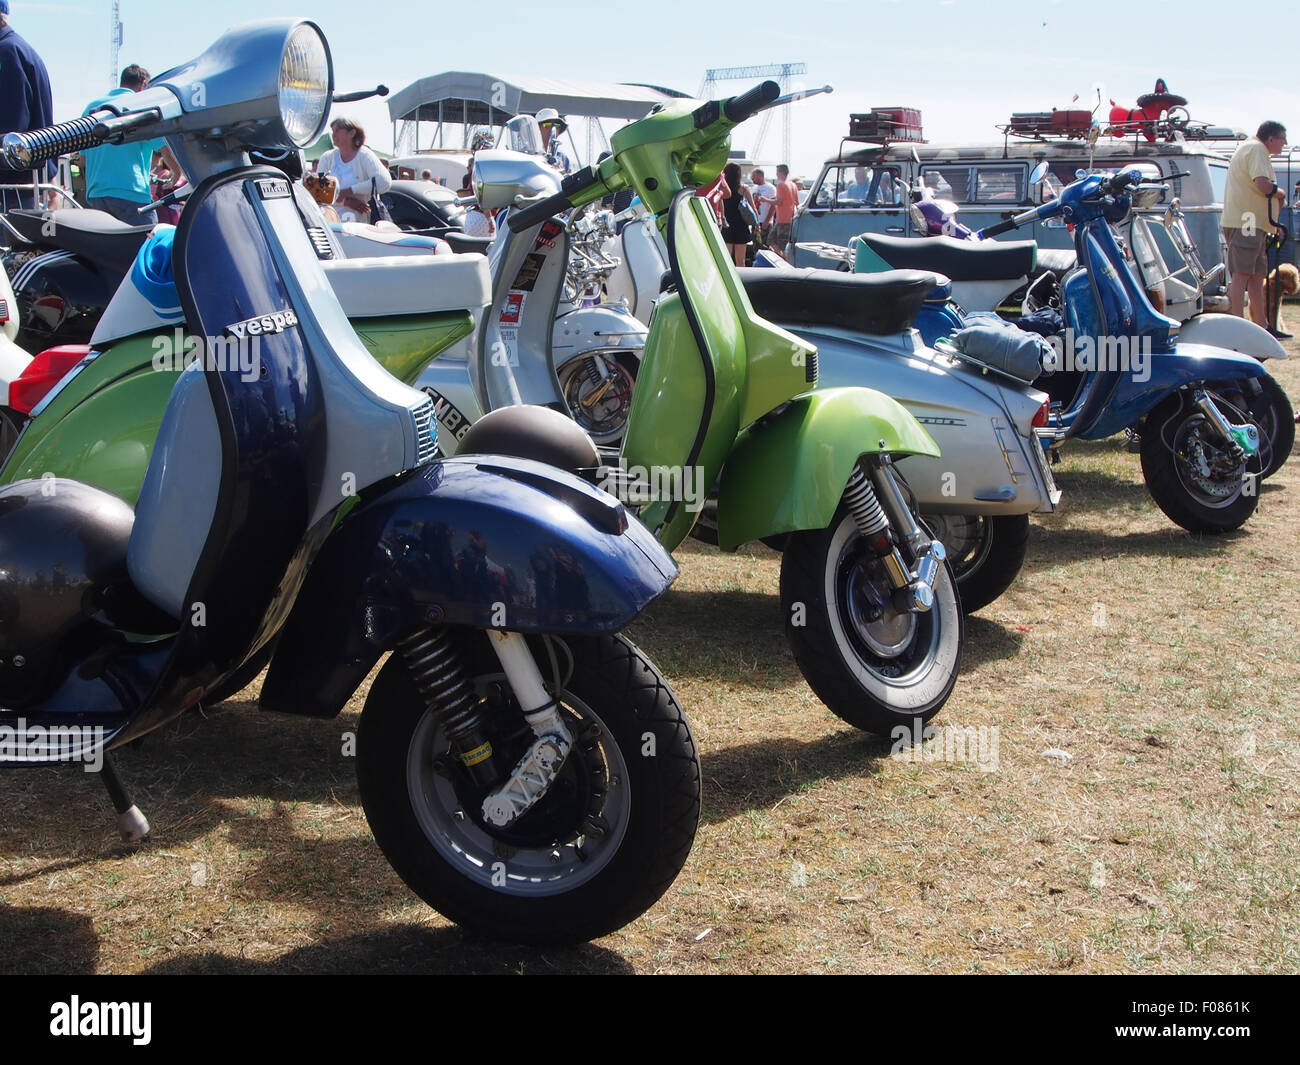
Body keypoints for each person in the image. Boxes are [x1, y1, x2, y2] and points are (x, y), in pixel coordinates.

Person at [82, 65, 184, 224]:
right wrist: (176, 173)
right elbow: (166, 150)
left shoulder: (92, 108)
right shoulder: (141, 105)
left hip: (96, 195)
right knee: (149, 244)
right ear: (144, 84)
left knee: (107, 248)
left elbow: (83, 159)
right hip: (131, 194)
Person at [1222, 120, 1289, 335]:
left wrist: (1272, 223)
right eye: (1282, 138)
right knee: (1242, 274)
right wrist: (1280, 193)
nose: (1285, 143)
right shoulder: (1257, 149)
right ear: (1271, 138)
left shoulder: (1254, 149)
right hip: (1247, 221)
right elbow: (1262, 185)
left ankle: (1261, 326)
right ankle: (1238, 327)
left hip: (1254, 222)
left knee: (1257, 275)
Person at [0, 1, 55, 209]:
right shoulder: (16, 48)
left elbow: (10, 128)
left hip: (10, 192)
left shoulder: (6, 52)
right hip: (23, 187)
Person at [316, 117, 391, 223]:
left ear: (352, 133)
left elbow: (384, 182)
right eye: (333, 131)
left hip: (359, 227)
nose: (333, 134)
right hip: (331, 225)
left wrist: (350, 190)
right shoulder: (327, 157)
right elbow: (317, 192)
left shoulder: (364, 155)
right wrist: (345, 201)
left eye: (337, 130)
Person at [719, 162, 758, 267]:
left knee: (726, 259)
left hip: (726, 224)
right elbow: (753, 208)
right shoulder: (744, 189)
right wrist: (757, 224)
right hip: (741, 226)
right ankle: (743, 281)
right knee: (740, 260)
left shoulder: (722, 188)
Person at [770, 163, 800, 260]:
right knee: (771, 240)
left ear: (781, 172)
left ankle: (784, 261)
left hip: (783, 220)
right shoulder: (793, 185)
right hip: (789, 219)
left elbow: (779, 202)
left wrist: (765, 200)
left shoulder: (781, 185)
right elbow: (797, 202)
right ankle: (783, 258)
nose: (776, 175)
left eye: (777, 172)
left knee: (780, 244)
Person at [535, 108, 572, 175]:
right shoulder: (530, 154)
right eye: (547, 125)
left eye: (556, 126)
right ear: (537, 128)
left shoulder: (563, 158)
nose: (552, 129)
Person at [750, 167, 777, 244]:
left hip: (765, 222)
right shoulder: (754, 188)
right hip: (755, 222)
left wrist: (767, 221)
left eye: (753, 176)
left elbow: (774, 205)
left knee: (764, 244)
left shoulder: (770, 188)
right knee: (756, 244)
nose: (752, 179)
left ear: (760, 176)